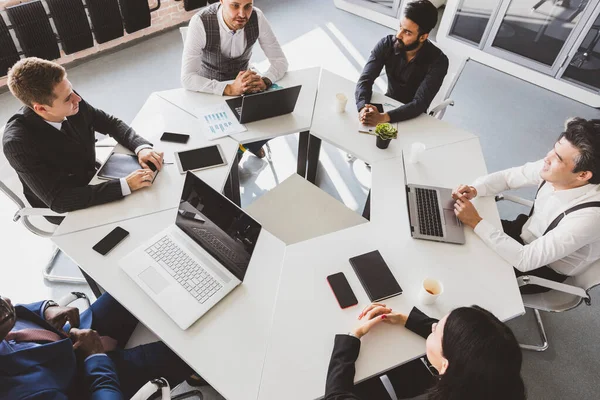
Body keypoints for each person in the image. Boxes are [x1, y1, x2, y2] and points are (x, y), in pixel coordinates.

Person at [3, 57, 164, 224]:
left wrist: (141, 147)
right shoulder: (17, 144)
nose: (77, 98)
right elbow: (60, 201)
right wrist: (125, 185)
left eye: (71, 90)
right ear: (41, 108)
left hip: (95, 175)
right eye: (67, 98)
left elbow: (109, 122)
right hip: (71, 205)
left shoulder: (68, 98)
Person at [453, 117, 600, 294]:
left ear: (583, 175)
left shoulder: (590, 218)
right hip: (524, 233)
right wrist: (475, 189)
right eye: (554, 149)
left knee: (461, 274)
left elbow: (525, 259)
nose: (547, 158)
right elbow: (509, 177)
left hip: (540, 270)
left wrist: (476, 221)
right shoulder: (554, 167)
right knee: (453, 228)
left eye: (558, 158)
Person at [0, 293, 196, 399]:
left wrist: (46, 309)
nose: (8, 300)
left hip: (72, 334)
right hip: (95, 379)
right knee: (193, 352)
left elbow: (16, 311)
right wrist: (96, 356)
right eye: (3, 314)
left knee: (135, 287)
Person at [325, 303, 526, 400]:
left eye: (436, 330)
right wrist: (406, 319)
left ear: (445, 366)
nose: (432, 326)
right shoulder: (498, 373)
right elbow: (462, 345)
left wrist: (351, 338)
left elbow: (336, 397)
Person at [181, 0, 289, 159]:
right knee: (221, 144)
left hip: (246, 87)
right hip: (211, 90)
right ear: (222, 1)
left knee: (281, 114)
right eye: (235, 5)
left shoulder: (257, 17)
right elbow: (187, 78)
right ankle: (243, 147)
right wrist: (229, 89)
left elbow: (280, 61)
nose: (242, 14)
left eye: (248, 6)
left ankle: (248, 145)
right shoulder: (200, 22)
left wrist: (266, 80)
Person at [355, 0, 448, 127]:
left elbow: (420, 103)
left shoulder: (439, 62)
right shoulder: (387, 44)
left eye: (407, 32)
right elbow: (365, 80)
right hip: (387, 103)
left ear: (423, 37)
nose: (398, 35)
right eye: (400, 27)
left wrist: (384, 117)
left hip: (415, 116)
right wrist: (362, 108)